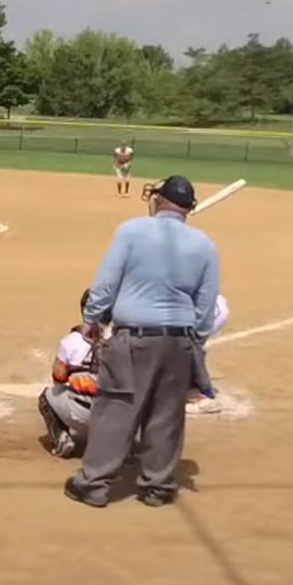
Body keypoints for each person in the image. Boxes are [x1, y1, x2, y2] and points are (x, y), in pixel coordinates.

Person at [65, 174, 220, 509]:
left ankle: (93, 484)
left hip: (134, 337)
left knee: (116, 409)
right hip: (179, 340)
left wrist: (92, 319)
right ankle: (158, 486)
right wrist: (194, 344)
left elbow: (107, 283)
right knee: (166, 414)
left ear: (159, 199)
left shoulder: (131, 231)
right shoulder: (205, 245)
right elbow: (205, 306)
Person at [37, 290, 104, 459]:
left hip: (79, 414)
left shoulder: (71, 341)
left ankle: (61, 439)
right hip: (114, 417)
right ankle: (126, 446)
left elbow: (58, 377)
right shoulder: (120, 339)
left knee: (46, 397)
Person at [187, 293, 230, 414]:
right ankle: (197, 388)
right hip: (211, 305)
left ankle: (202, 394)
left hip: (205, 310)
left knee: (181, 342)